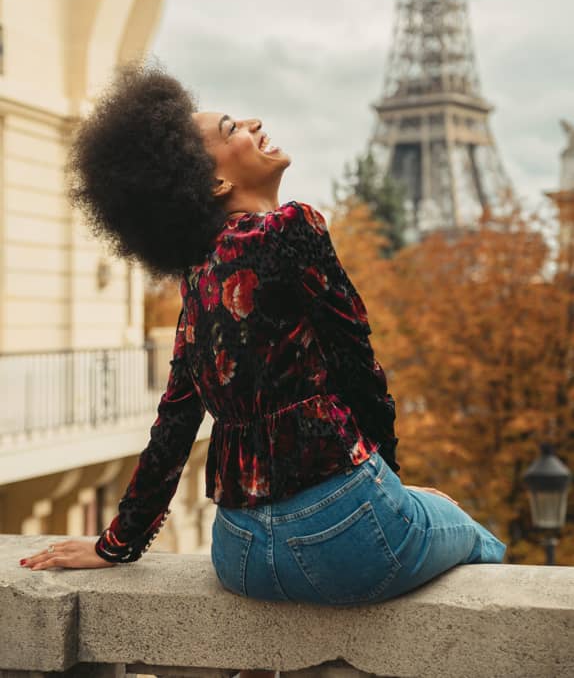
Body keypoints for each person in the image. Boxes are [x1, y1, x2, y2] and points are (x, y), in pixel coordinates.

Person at [19, 63, 506, 607]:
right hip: (343, 533)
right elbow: (358, 366)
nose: (251, 122)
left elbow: (175, 421)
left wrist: (116, 544)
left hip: (240, 554)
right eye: (231, 129)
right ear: (215, 182)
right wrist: (386, 483)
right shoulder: (292, 228)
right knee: (481, 542)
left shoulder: (198, 275)